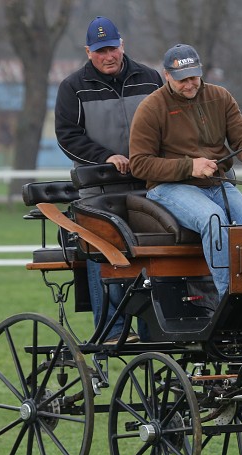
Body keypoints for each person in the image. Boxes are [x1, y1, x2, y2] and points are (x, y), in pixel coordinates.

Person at [129, 44, 242, 299]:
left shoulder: (221, 97)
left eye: (194, 77)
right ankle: (229, 297)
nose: (189, 84)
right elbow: (139, 164)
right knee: (213, 219)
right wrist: (190, 166)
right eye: (182, 79)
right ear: (167, 75)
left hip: (217, 184)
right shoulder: (151, 108)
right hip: (168, 188)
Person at [54, 16, 163, 343]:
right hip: (97, 189)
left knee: (154, 256)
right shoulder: (72, 88)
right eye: (100, 51)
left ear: (122, 46)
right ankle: (112, 330)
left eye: (112, 48)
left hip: (148, 185)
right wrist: (106, 158)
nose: (108, 56)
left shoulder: (150, 79)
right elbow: (67, 136)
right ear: (89, 52)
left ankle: (151, 331)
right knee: (101, 250)